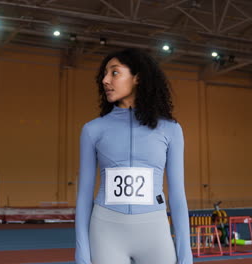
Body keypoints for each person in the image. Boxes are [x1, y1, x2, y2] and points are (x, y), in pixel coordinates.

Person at [75, 48, 193, 264]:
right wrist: (81, 252)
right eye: (104, 74)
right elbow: (84, 197)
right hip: (106, 232)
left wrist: (186, 256)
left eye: (114, 73)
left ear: (137, 77)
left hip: (155, 232)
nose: (105, 80)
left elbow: (177, 197)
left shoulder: (171, 130)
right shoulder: (93, 130)